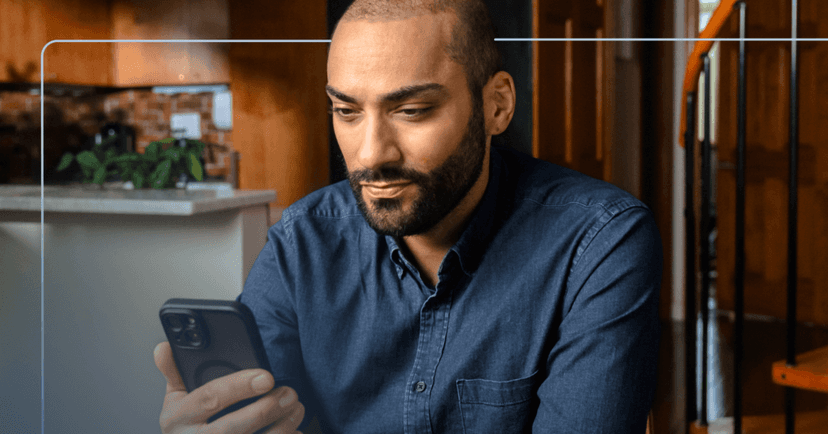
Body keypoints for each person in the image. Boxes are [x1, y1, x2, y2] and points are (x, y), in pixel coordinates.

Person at [154, 0, 662, 432]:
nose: (371, 154)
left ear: (497, 105)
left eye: (412, 110)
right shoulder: (300, 243)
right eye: (347, 112)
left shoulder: (598, 243)